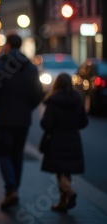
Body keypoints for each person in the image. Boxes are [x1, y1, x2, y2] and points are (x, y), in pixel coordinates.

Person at [0, 33, 44, 209]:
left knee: (4, 154)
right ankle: (14, 189)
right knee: (17, 155)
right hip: (23, 120)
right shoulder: (31, 68)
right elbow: (37, 94)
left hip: (4, 119)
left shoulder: (0, 66)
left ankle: (11, 189)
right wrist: (28, 108)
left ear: (8, 46)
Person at [40, 73, 88, 212]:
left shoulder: (53, 101)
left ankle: (70, 193)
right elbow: (84, 122)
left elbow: (46, 123)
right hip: (73, 139)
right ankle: (62, 201)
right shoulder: (77, 100)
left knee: (60, 172)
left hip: (57, 140)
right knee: (66, 172)